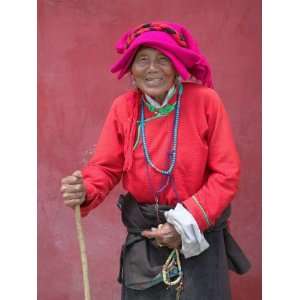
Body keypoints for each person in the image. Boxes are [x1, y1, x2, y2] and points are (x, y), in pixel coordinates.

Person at [60, 21, 250, 300]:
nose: (152, 69)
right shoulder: (123, 108)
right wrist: (86, 189)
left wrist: (184, 225)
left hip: (199, 231)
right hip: (145, 235)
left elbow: (226, 174)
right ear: (131, 70)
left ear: (176, 66)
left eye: (163, 59)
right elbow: (105, 166)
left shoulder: (206, 102)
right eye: (143, 60)